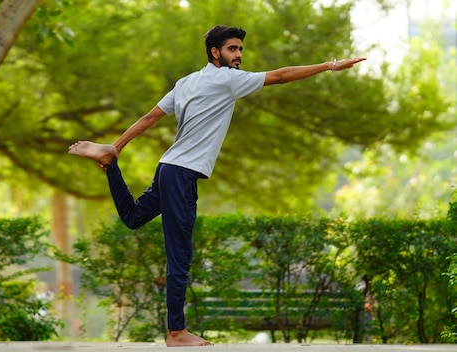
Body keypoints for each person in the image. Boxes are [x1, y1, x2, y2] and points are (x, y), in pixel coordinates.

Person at [68, 25, 366, 347]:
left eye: (240, 49)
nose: (239, 55)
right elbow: (281, 76)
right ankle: (176, 332)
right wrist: (329, 66)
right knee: (180, 256)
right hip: (179, 174)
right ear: (215, 52)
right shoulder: (227, 80)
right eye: (232, 49)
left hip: (169, 169)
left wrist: (116, 147)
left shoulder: (186, 83)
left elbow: (148, 119)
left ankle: (111, 165)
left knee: (134, 217)